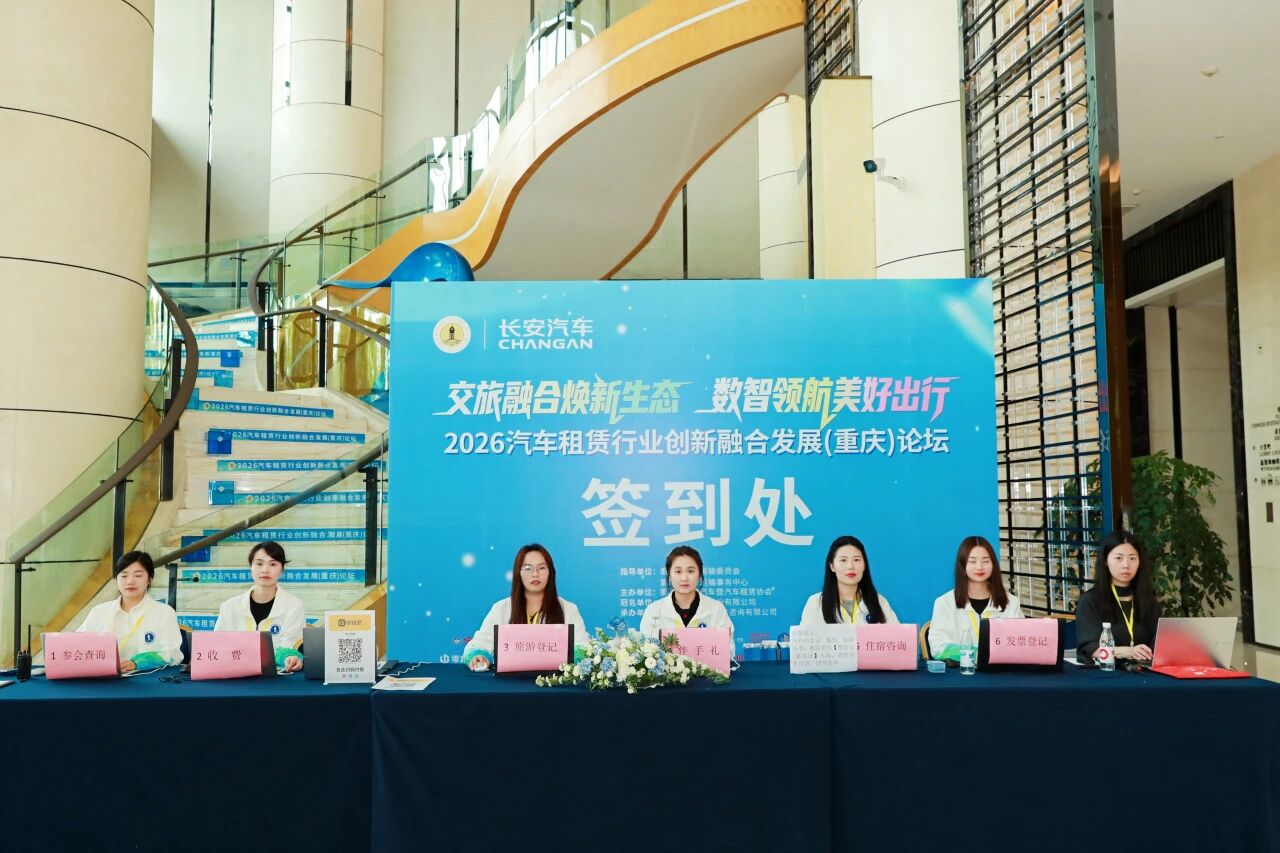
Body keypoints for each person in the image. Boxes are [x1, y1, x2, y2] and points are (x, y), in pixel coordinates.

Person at [462, 544, 588, 671]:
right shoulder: (501, 608)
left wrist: (577, 658)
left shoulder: (568, 609)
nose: (535, 574)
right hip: (510, 681)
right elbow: (478, 644)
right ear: (518, 573)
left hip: (553, 681)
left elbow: (582, 646)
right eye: (528, 568)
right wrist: (478, 656)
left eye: (541, 568)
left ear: (551, 572)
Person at [77, 550, 182, 672]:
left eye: (138, 575)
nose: (130, 581)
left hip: (146, 679)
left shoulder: (164, 613)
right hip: (103, 677)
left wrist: (138, 663)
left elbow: (173, 653)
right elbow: (77, 644)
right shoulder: (99, 612)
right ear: (117, 579)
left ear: (149, 579)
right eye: (124, 575)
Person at [214, 540, 306, 672]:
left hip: (276, 676)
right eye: (259, 563)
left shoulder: (294, 606)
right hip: (235, 674)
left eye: (273, 564)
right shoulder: (229, 606)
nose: (265, 570)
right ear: (250, 567)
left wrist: (288, 657)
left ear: (282, 570)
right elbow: (218, 644)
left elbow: (289, 646)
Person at [928, 535, 1023, 659]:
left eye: (986, 561)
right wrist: (977, 654)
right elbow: (938, 648)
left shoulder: (1011, 603)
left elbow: (1021, 644)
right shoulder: (945, 603)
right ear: (962, 565)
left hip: (1001, 670)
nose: (979, 567)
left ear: (993, 564)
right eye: (972, 561)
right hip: (961, 670)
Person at [1076, 530, 1161, 664]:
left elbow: (1159, 645)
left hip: (1143, 671)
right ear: (1105, 561)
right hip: (1106, 671)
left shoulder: (1149, 601)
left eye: (1132, 558)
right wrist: (1129, 651)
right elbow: (1090, 649)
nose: (1126, 565)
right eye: (1118, 558)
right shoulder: (1090, 600)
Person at [639, 545, 734, 639]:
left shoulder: (716, 609)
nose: (684, 578)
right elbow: (647, 647)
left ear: (699, 574)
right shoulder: (654, 612)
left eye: (690, 571)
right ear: (669, 575)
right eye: (678, 572)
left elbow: (727, 646)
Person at [799, 535, 898, 625]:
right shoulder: (815, 603)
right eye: (843, 560)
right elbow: (806, 638)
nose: (850, 566)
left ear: (864, 565)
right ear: (832, 566)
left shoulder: (879, 601)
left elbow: (897, 636)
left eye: (856, 560)